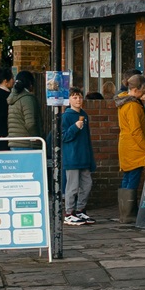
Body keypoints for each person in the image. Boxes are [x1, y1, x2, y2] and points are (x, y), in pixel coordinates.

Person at [114, 75, 145, 218]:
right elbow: (136, 130)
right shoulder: (132, 106)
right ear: (136, 90)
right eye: (143, 90)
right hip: (134, 146)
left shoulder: (123, 101)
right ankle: (129, 213)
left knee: (127, 176)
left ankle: (125, 212)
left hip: (125, 144)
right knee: (133, 178)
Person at [57, 90, 95, 224]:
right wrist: (75, 127)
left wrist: (90, 157)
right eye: (74, 97)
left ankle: (80, 210)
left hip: (84, 155)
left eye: (79, 97)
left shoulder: (84, 114)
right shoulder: (66, 116)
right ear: (69, 100)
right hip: (72, 156)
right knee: (72, 187)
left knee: (87, 184)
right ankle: (69, 212)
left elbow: (87, 138)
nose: (78, 100)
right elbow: (64, 137)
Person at [7, 73, 45, 144]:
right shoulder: (27, 99)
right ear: (30, 84)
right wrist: (36, 138)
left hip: (14, 142)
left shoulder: (13, 98)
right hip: (27, 143)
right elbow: (30, 123)